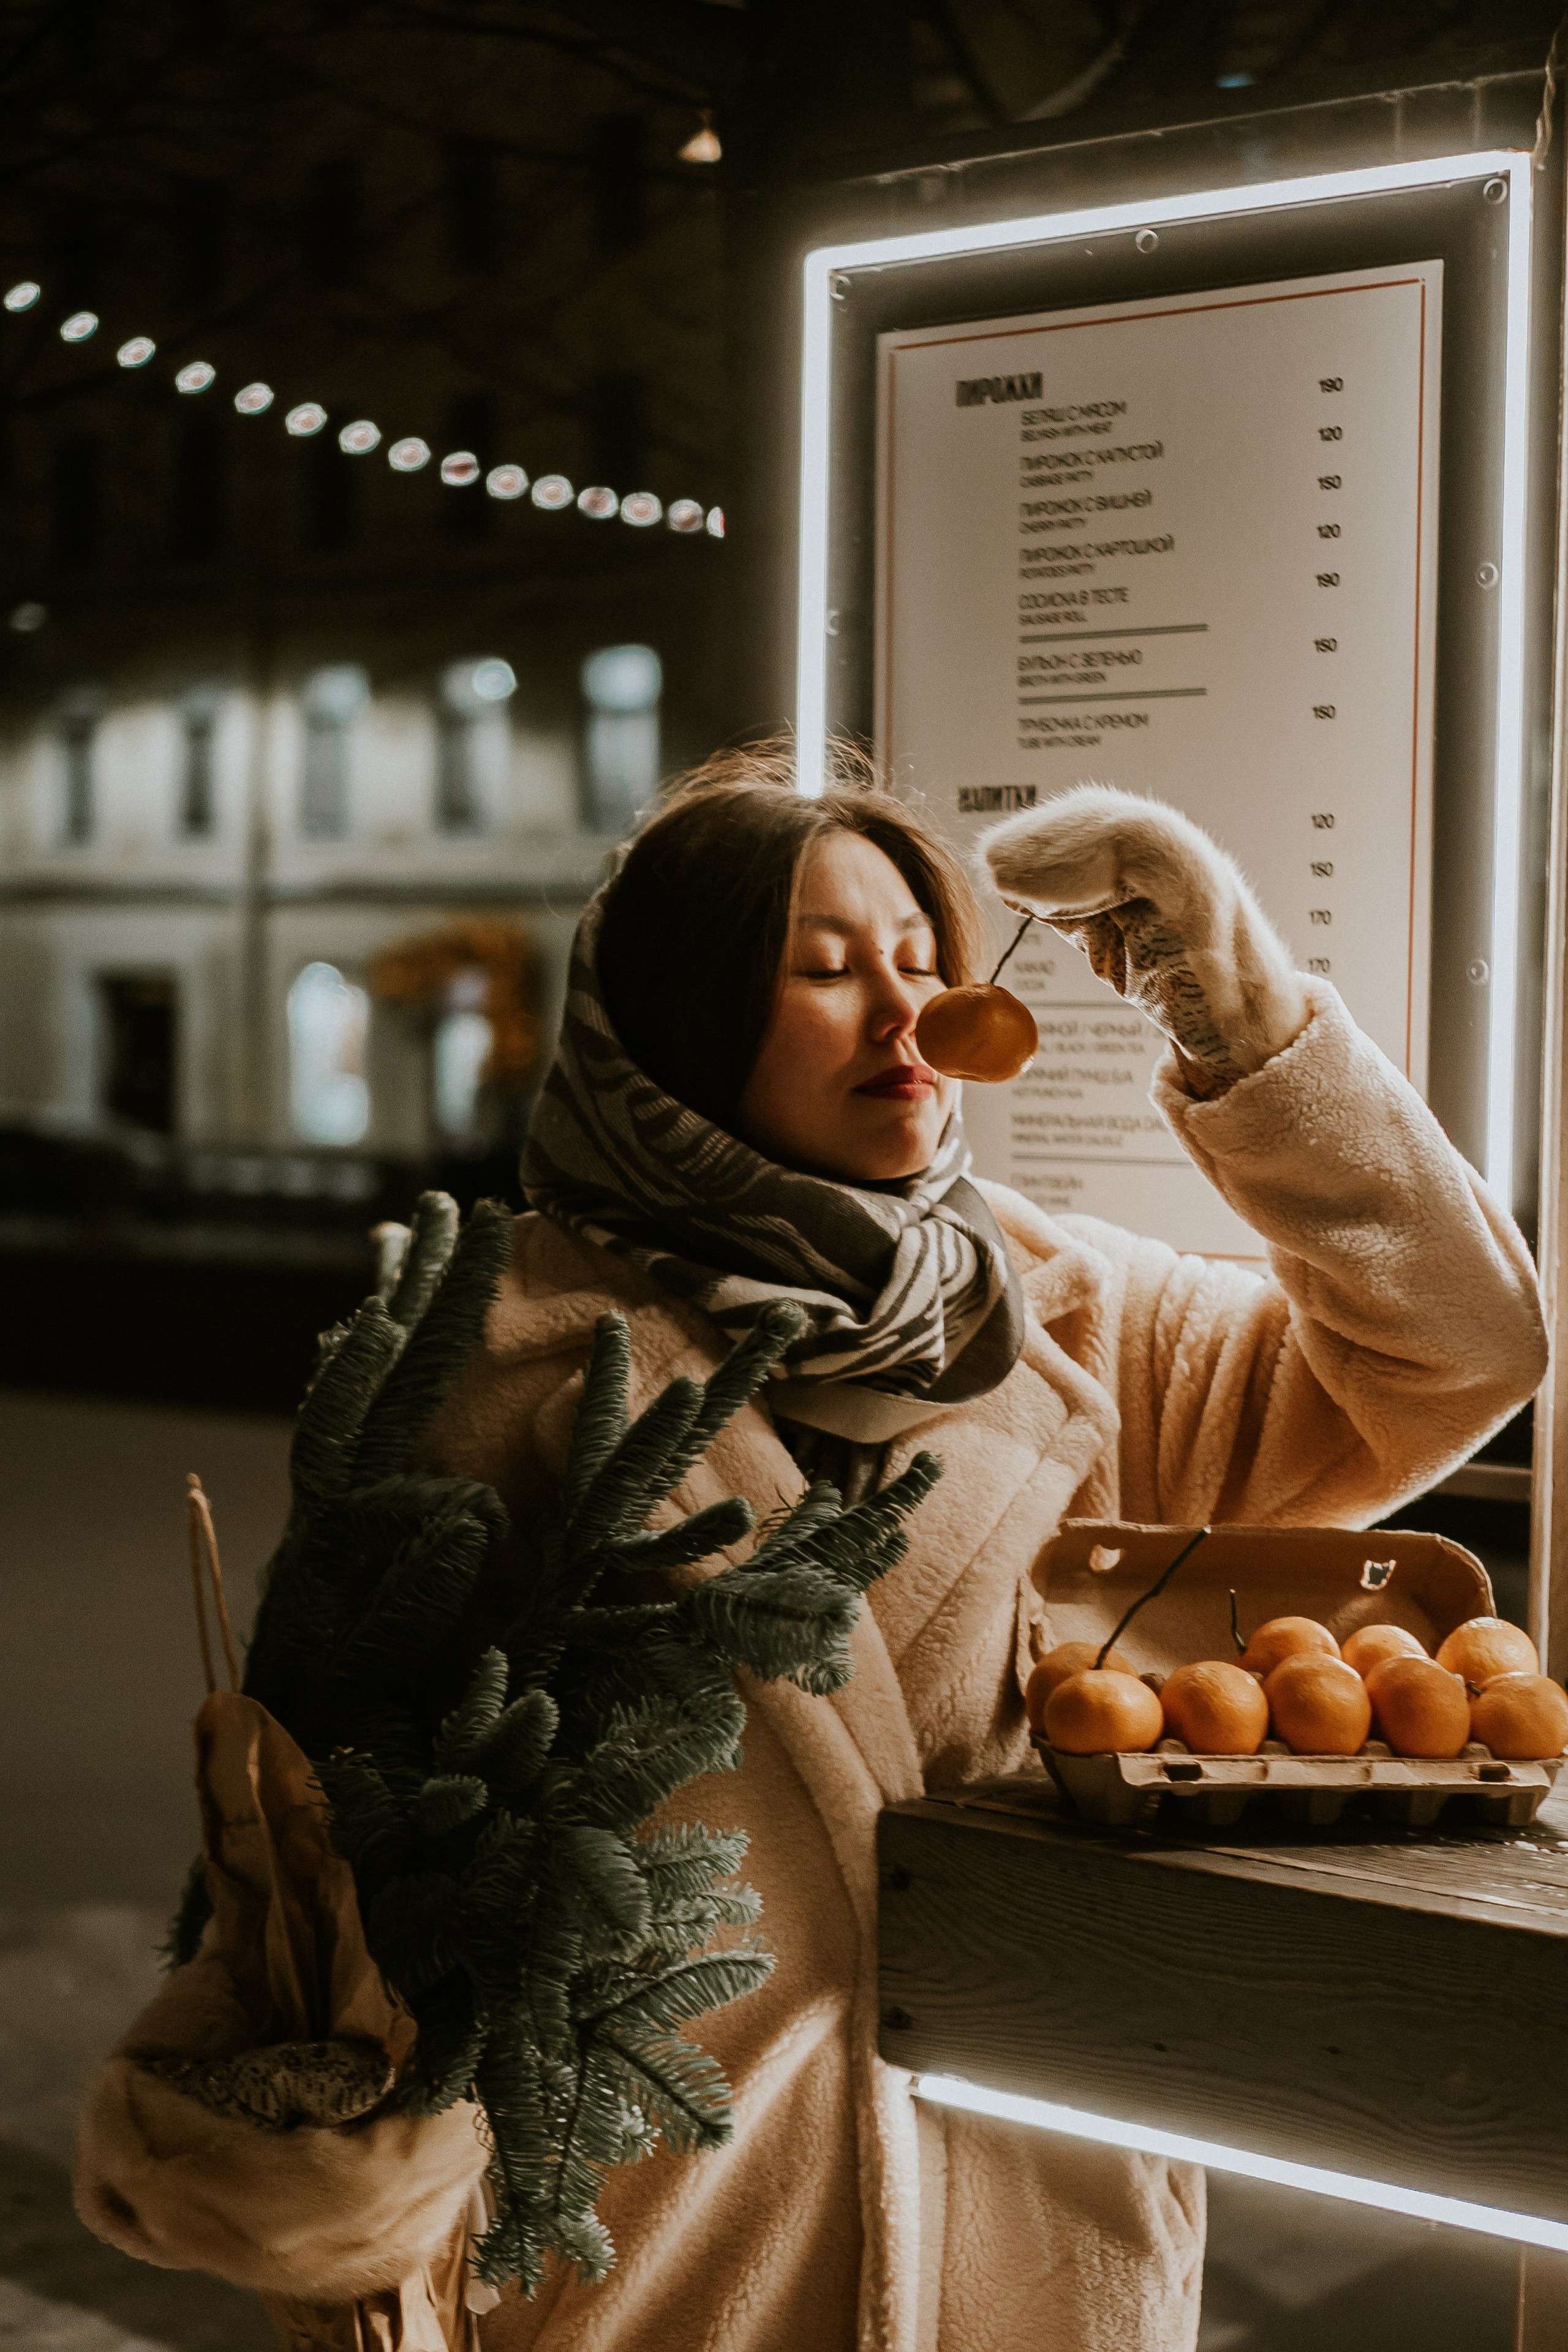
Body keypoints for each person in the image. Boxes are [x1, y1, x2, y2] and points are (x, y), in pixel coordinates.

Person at [428, 741, 1545, 2352]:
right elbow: (349, 1820)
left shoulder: (1074, 1317)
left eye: (920, 959)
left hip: (1036, 2234)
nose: (909, 1014)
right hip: (659, 2253)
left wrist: (1229, 1005)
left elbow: (1462, 1348)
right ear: (675, 1023)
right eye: (827, 970)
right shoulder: (509, 1371)